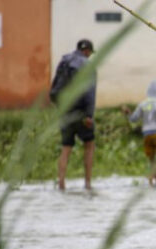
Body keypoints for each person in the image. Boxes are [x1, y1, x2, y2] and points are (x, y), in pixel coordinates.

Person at [54, 39, 97, 191]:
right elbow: (90, 92)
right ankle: (87, 183)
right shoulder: (87, 65)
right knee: (89, 144)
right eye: (90, 53)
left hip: (65, 111)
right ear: (87, 51)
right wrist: (89, 115)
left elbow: (55, 88)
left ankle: (61, 183)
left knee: (66, 147)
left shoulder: (64, 62)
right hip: (81, 111)